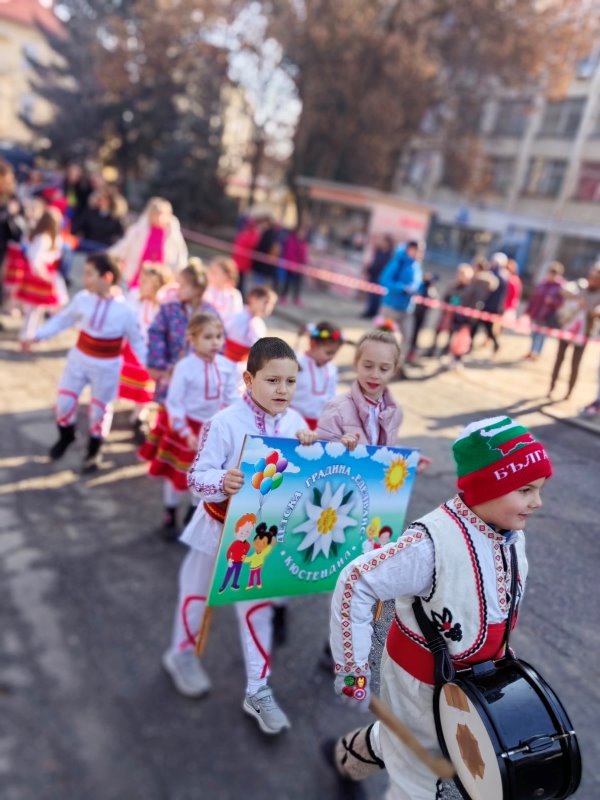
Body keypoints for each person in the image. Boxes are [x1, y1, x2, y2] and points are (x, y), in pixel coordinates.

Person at [327, 415, 552, 800]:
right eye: (526, 490)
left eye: (539, 489)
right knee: (418, 776)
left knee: (421, 744)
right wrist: (353, 668)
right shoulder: (430, 545)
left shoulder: (510, 534)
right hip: (420, 682)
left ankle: (349, 757)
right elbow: (356, 582)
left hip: (470, 683)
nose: (538, 502)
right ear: (486, 488)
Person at [162, 337, 316, 735]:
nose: (282, 390)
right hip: (215, 528)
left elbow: (303, 474)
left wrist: (311, 446)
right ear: (249, 380)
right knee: (196, 596)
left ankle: (258, 689)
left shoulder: (296, 422)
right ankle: (181, 655)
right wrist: (221, 481)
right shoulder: (224, 423)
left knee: (256, 609)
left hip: (260, 536)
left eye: (290, 382)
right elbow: (196, 477)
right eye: (272, 380)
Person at [22, 253, 146, 472]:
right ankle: (66, 436)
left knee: (99, 412)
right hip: (78, 362)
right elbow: (63, 320)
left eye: (89, 274)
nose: (84, 278)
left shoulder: (126, 311)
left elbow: (137, 342)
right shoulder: (82, 299)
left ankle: (94, 450)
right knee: (64, 405)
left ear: (107, 277)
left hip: (106, 368)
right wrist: (38, 335)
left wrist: (151, 367)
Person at [141, 312, 238, 540]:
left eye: (218, 336)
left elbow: (231, 399)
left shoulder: (227, 366)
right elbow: (174, 403)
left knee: (207, 476)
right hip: (187, 430)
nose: (215, 342)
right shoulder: (185, 367)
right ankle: (170, 512)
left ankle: (195, 513)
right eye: (208, 337)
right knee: (178, 476)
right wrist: (185, 432)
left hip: (213, 431)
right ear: (192, 339)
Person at [315, 330, 403, 448]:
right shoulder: (336, 409)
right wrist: (340, 445)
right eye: (368, 366)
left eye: (384, 369)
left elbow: (389, 451)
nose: (375, 375)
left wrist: (408, 458)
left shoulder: (394, 411)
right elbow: (321, 451)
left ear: (395, 370)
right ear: (355, 364)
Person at [118, 262, 170, 436]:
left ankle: (139, 413)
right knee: (123, 376)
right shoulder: (134, 296)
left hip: (151, 351)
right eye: (141, 279)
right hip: (131, 347)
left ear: (156, 285)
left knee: (145, 383)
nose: (140, 283)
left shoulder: (162, 306)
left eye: (145, 281)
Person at [548, 262, 600, 400]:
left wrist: (588, 308)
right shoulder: (581, 287)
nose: (592, 280)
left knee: (575, 363)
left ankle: (569, 392)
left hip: (583, 333)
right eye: (591, 277)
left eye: (595, 278)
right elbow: (564, 291)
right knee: (559, 359)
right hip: (568, 327)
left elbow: (597, 313)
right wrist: (577, 299)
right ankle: (551, 387)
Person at [109, 197, 188, 288]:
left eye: (162, 214)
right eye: (156, 214)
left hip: (161, 279)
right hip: (137, 275)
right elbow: (124, 246)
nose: (159, 218)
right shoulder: (139, 230)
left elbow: (180, 256)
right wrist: (109, 256)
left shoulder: (172, 235)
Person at [17, 209, 68, 341]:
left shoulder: (52, 237)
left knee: (40, 308)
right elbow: (35, 259)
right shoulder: (43, 238)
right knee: (33, 309)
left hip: (44, 274)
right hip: (40, 275)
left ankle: (34, 333)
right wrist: (44, 276)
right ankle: (27, 335)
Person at [378, 240, 423, 372]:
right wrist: (402, 288)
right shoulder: (398, 262)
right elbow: (384, 280)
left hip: (407, 308)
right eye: (417, 250)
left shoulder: (416, 265)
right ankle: (380, 362)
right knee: (385, 336)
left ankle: (398, 366)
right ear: (410, 249)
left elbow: (416, 285)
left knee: (407, 337)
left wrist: (423, 286)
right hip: (391, 306)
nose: (419, 253)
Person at [292, 321, 343, 430]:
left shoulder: (331, 368)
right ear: (313, 344)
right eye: (328, 353)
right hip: (296, 423)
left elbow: (332, 394)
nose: (331, 357)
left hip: (321, 424)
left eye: (334, 353)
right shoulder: (298, 365)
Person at [223, 285, 277, 375]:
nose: (269, 307)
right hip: (224, 363)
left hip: (243, 369)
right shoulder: (235, 316)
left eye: (272, 304)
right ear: (253, 299)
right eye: (266, 302)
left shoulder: (260, 326)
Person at [426, 263, 473, 358]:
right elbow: (446, 296)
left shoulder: (468, 289)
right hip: (447, 313)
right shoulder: (452, 285)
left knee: (451, 335)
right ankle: (432, 349)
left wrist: (455, 305)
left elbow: (464, 301)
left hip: (457, 316)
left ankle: (445, 351)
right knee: (438, 330)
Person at [525, 262, 565, 360]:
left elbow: (562, 302)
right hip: (536, 313)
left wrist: (552, 302)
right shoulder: (542, 284)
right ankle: (532, 350)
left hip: (547, 315)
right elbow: (534, 298)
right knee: (533, 333)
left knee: (541, 335)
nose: (551, 276)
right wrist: (528, 310)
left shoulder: (560, 287)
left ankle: (536, 352)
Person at [470, 252, 508, 354]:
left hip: (491, 307)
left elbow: (496, 294)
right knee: (475, 326)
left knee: (488, 328)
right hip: (485, 305)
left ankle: (495, 344)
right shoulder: (493, 274)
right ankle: (470, 345)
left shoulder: (500, 277)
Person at [72, 186, 125, 251]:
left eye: (105, 200)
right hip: (88, 245)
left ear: (110, 202)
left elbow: (120, 235)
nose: (102, 202)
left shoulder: (114, 218)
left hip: (105, 247)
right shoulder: (89, 213)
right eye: (100, 199)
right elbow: (76, 227)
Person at [406, 272, 439, 363]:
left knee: (415, 336)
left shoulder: (431, 290)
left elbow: (434, 301)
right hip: (413, 314)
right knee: (410, 334)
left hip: (421, 316)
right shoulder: (420, 286)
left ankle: (411, 355)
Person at [361, 235, 395, 320]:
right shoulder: (378, 252)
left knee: (376, 297)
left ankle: (373, 312)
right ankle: (370, 311)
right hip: (373, 276)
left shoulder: (389, 255)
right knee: (371, 296)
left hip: (380, 278)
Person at [203, 256, 243, 325]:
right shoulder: (205, 289)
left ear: (226, 275)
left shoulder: (234, 295)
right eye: (210, 271)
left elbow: (235, 318)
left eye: (215, 272)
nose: (210, 274)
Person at [279, 226, 309, 306]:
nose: (302, 234)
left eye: (304, 232)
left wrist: (304, 263)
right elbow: (289, 253)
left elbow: (304, 254)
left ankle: (296, 298)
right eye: (301, 232)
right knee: (288, 283)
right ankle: (283, 297)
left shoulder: (304, 242)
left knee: (298, 283)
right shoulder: (291, 240)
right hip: (291, 265)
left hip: (300, 266)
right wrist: (294, 265)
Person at [232, 217, 260, 296]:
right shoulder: (244, 233)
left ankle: (240, 294)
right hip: (238, 260)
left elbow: (252, 245)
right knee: (237, 278)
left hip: (244, 262)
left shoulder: (253, 235)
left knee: (241, 280)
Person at [251, 217, 281, 290]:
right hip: (265, 262)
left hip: (263, 262)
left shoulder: (268, 234)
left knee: (260, 281)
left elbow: (261, 246)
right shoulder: (273, 235)